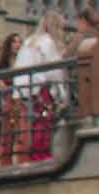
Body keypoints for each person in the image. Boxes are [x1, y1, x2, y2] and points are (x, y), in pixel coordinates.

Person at [17, 11, 67, 163]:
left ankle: (32, 155)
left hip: (24, 89)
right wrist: (62, 94)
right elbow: (54, 70)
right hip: (41, 88)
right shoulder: (47, 42)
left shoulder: (29, 41)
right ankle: (41, 156)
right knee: (43, 123)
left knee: (31, 123)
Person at [0, 32, 24, 165]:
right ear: (9, 45)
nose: (17, 44)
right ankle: (5, 162)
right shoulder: (0, 64)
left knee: (20, 131)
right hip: (7, 101)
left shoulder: (23, 62)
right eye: (14, 41)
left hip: (20, 100)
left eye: (19, 42)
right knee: (7, 133)